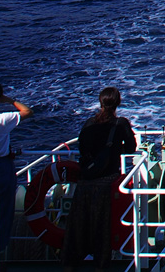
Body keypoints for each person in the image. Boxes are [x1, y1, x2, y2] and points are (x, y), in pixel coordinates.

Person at [62, 86, 137, 272]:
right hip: (106, 185)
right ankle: (100, 268)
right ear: (118, 102)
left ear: (100, 102)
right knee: (102, 232)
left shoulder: (89, 123)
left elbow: (82, 149)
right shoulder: (121, 124)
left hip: (84, 184)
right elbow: (130, 148)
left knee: (78, 230)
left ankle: (70, 266)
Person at [0, 82, 33, 256]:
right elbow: (27, 112)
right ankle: (0, 254)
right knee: (3, 210)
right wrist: (7, 100)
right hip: (1, 168)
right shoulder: (1, 121)